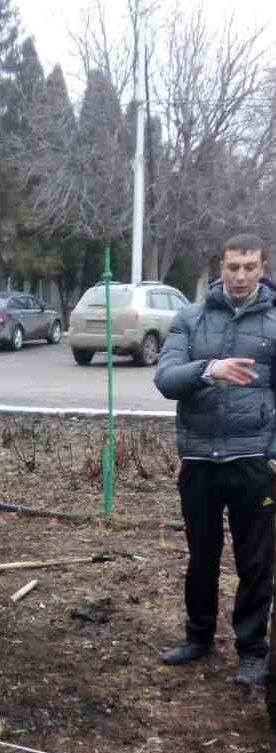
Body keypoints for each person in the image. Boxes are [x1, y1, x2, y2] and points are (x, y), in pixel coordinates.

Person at [155, 233, 276, 686]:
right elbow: (166, 379)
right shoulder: (190, 317)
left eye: (249, 266)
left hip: (252, 461)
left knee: (255, 560)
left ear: (262, 267)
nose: (241, 276)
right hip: (201, 460)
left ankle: (252, 651)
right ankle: (198, 637)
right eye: (232, 267)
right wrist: (209, 370)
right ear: (220, 266)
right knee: (201, 555)